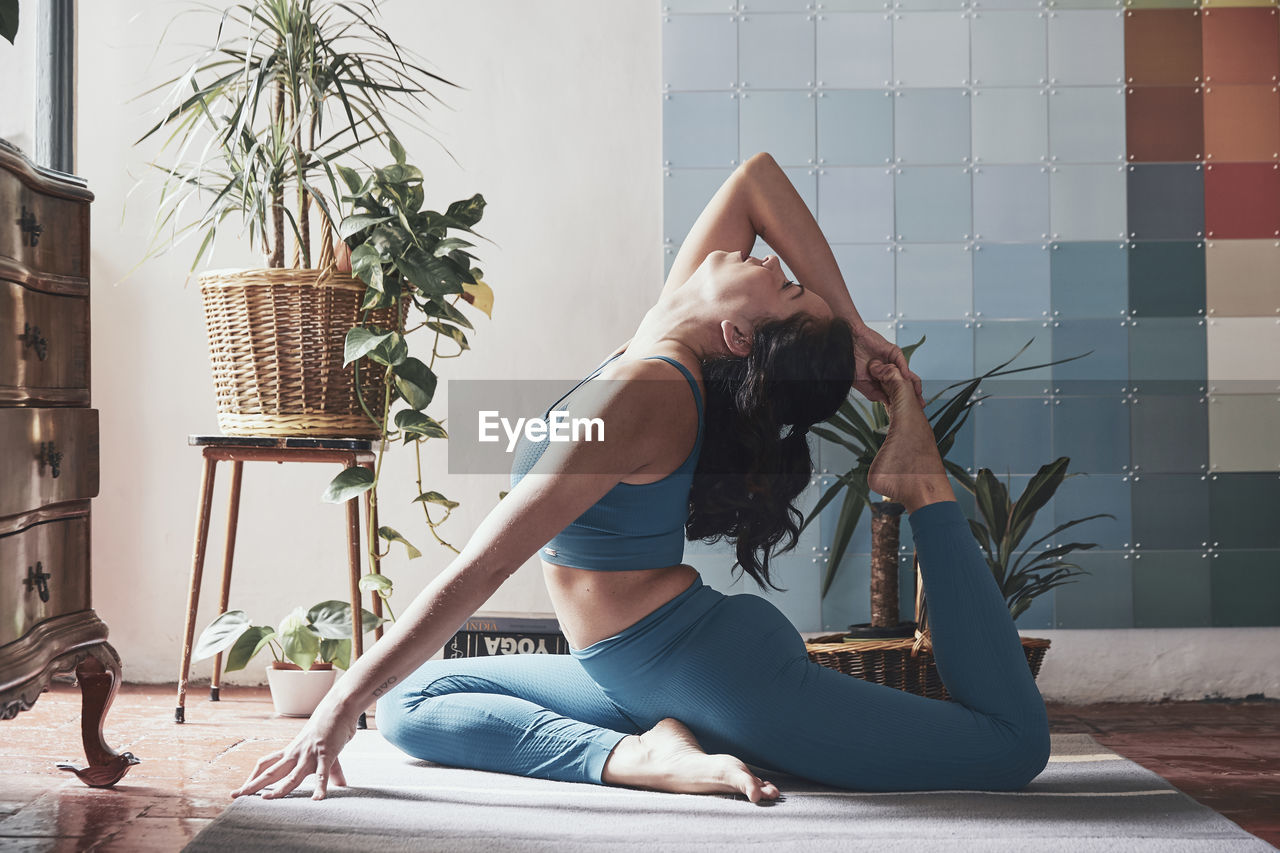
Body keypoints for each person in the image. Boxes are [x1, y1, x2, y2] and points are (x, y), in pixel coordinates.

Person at [232, 152, 1050, 804]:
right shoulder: (662, 335)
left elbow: (483, 565)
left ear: (737, 334)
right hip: (628, 668)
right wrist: (855, 325)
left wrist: (336, 705)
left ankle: (922, 483)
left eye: (785, 284)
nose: (769, 257)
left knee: (1012, 746)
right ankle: (640, 751)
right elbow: (756, 178)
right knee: (415, 700)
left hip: (718, 675)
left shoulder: (648, 391)